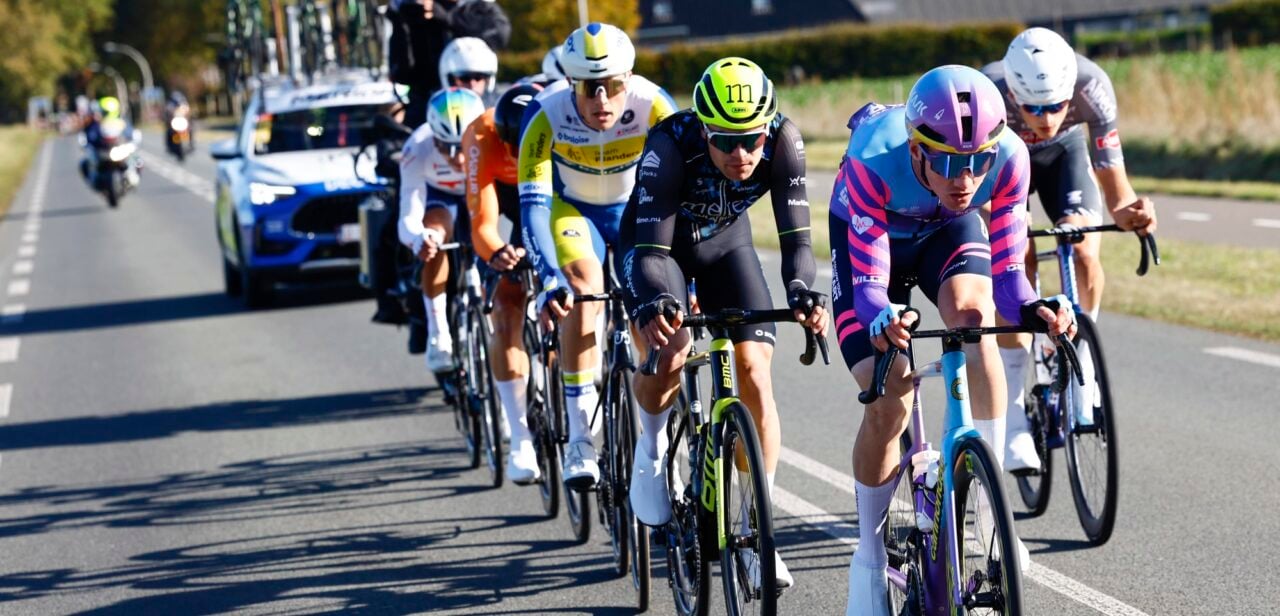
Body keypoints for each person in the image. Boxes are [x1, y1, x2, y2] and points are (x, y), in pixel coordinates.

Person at [831, 66, 1077, 616]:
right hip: (873, 243)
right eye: (945, 162)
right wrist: (884, 320)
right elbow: (871, 294)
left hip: (946, 232)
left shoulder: (1010, 157)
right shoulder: (874, 156)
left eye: (976, 162)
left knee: (975, 314)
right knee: (888, 387)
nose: (964, 178)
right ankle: (869, 561)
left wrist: (1039, 307)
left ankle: (991, 517)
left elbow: (1012, 286)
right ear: (917, 149)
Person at [622, 57, 827, 591]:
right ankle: (649, 448)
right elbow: (648, 255)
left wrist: (803, 291)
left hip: (723, 245)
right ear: (704, 129)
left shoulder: (784, 142)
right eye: (726, 142)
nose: (741, 154)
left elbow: (798, 244)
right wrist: (658, 303)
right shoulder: (670, 145)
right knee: (670, 348)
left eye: (752, 141)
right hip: (657, 247)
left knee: (754, 368)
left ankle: (759, 532)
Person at [981, 27, 1158, 472]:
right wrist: (1002, 219)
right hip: (1005, 161)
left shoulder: (1091, 85)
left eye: (1057, 106)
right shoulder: (986, 94)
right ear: (1013, 94)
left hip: (1066, 157)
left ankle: (1084, 359)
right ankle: (1017, 416)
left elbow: (1115, 194)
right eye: (1032, 108)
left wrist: (1132, 213)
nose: (1044, 118)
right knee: (1013, 261)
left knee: (1081, 249)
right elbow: (971, 190)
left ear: (1069, 94)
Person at [519, 22, 677, 490]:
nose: (602, 101)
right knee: (583, 293)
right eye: (590, 88)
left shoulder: (653, 103)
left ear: (628, 79)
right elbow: (533, 206)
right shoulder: (545, 114)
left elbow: (683, 190)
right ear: (570, 83)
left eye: (612, 86)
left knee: (652, 305)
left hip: (635, 211)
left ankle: (660, 437)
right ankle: (579, 438)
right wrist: (549, 276)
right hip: (574, 212)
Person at [465, 82, 542, 482]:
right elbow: (482, 220)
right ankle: (520, 437)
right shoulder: (480, 135)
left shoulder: (558, 119)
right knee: (507, 305)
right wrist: (498, 252)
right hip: (501, 190)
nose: (516, 152)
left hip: (548, 189)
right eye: (511, 144)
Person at [399, 87, 488, 374]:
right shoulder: (416, 148)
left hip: (480, 190)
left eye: (462, 145)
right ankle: (439, 334)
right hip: (440, 196)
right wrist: (419, 239)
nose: (457, 159)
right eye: (445, 147)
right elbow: (408, 215)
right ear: (432, 137)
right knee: (434, 233)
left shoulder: (492, 137)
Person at [387, 0, 508, 127]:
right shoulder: (417, 9)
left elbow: (499, 35)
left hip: (480, 104)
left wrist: (447, 19)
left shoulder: (479, 6)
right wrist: (400, 21)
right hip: (428, 109)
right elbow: (401, 73)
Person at [438, 36, 499, 105]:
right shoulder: (437, 110)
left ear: (487, 80)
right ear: (451, 80)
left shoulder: (499, 110)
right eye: (465, 78)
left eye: (478, 77)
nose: (472, 84)